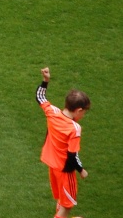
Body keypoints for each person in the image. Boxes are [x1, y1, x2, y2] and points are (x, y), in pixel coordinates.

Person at [37, 67, 90, 218]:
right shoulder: (74, 128)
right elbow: (73, 155)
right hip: (65, 171)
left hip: (52, 165)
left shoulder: (52, 112)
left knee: (62, 198)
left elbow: (40, 97)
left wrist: (45, 80)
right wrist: (81, 170)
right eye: (84, 112)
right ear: (79, 110)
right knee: (67, 206)